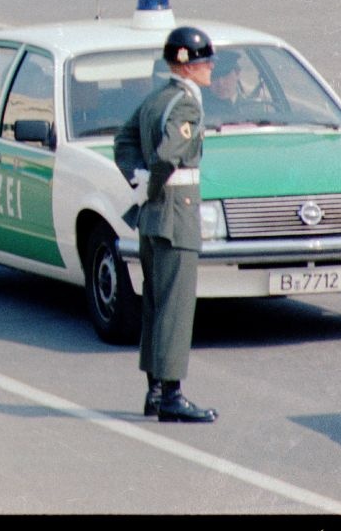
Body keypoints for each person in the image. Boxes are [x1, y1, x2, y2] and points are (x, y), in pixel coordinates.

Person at [114, 25, 219, 424]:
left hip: (155, 214)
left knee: (156, 304)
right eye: (203, 61)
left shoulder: (157, 99)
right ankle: (172, 394)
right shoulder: (186, 106)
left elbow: (123, 142)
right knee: (175, 305)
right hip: (175, 210)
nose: (209, 67)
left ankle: (155, 391)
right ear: (186, 66)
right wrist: (151, 186)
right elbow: (170, 154)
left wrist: (137, 180)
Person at [202, 51, 244, 122]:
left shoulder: (254, 107)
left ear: (237, 73)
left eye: (225, 76)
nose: (220, 83)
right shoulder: (201, 108)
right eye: (214, 77)